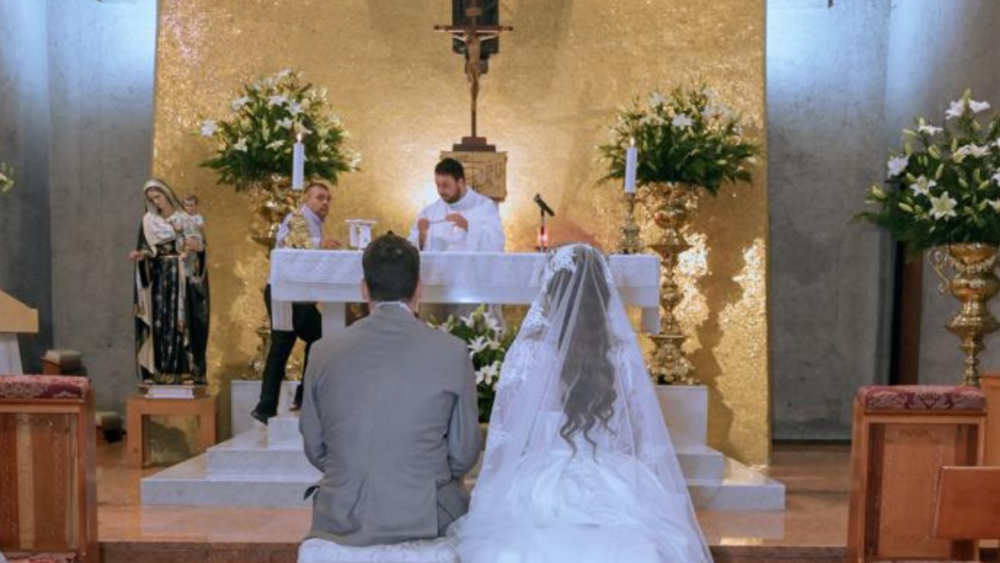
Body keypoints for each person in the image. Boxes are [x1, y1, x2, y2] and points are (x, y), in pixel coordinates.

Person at [450, 244, 713, 563]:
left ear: (550, 292)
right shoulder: (620, 355)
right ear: (604, 296)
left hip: (540, 483)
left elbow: (506, 436)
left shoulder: (529, 354)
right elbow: (639, 435)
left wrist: (495, 492)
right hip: (613, 481)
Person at [298, 233, 481, 547]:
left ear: (364, 288)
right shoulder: (452, 350)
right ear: (419, 288)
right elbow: (464, 455)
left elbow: (315, 448)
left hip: (341, 516)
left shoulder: (322, 350)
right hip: (425, 517)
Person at [252, 181, 339, 424]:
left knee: (283, 346)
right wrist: (319, 244)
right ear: (306, 200)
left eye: (328, 199)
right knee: (315, 338)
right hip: (287, 293)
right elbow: (288, 246)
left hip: (291, 292)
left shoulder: (312, 222)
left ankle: (267, 405)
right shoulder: (297, 217)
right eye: (319, 197)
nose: (325, 203)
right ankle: (298, 397)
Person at [131, 179, 210, 385]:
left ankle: (185, 370)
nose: (156, 202)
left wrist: (197, 248)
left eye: (158, 197)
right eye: (151, 199)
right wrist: (142, 256)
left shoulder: (185, 218)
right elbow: (150, 251)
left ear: (167, 194)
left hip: (182, 277)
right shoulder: (149, 222)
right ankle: (162, 369)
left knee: (182, 321)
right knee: (161, 321)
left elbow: (200, 251)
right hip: (161, 279)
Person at [409, 158, 504, 253]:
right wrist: (422, 236)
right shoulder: (428, 213)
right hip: (439, 268)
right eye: (438, 185)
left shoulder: (485, 207)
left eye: (445, 185)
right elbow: (412, 254)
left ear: (460, 182)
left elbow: (496, 245)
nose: (440, 191)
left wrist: (468, 226)